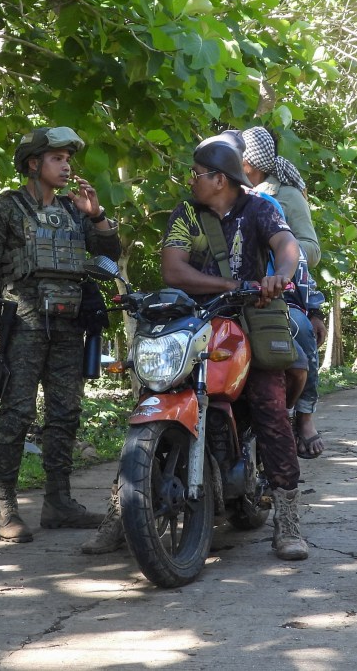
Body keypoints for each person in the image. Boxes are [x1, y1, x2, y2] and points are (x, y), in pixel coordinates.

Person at [82, 132, 310, 561]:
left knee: (269, 404)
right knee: (153, 396)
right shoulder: (187, 213)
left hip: (248, 320)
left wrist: (279, 275)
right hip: (194, 320)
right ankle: (121, 509)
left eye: (198, 174)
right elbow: (173, 270)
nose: (191, 180)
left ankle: (287, 519)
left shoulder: (260, 208)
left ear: (221, 179)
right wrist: (233, 284)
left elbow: (286, 245)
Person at [0, 126, 122, 543]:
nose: (67, 165)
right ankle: (6, 508)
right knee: (17, 414)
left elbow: (109, 256)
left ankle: (59, 503)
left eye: (68, 158)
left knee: (65, 414)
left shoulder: (75, 211)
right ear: (34, 163)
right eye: (57, 158)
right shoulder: (5, 208)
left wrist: (97, 215)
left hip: (70, 323)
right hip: (23, 323)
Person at [241, 126, 327, 459]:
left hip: (281, 291)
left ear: (251, 160)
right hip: (235, 291)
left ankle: (304, 417)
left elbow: (311, 249)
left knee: (302, 332)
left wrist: (279, 247)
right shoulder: (229, 194)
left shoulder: (285, 195)